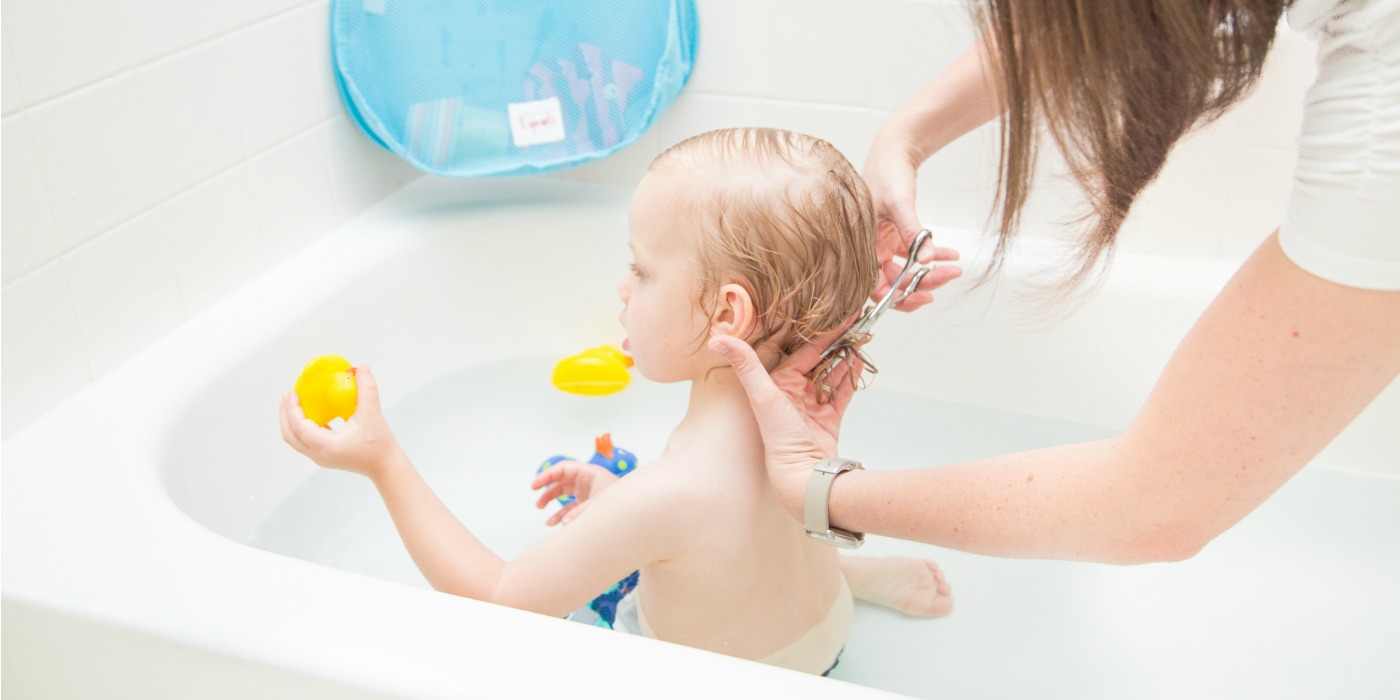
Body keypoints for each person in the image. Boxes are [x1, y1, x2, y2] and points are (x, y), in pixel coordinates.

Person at [710, 1, 1400, 564]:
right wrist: (905, 136)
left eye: (642, 270)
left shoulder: (1381, 127)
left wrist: (815, 489)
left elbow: (1155, 510)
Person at [278, 127, 953, 677]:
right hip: (818, 643)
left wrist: (383, 462)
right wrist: (619, 501)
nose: (625, 291)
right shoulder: (810, 399)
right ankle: (853, 581)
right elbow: (749, 525)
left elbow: (501, 600)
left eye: (641, 269)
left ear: (727, 311)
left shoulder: (670, 492)